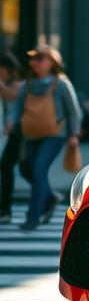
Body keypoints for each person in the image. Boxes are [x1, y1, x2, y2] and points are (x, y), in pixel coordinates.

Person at [7, 45, 81, 231]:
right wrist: (11, 120)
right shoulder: (28, 84)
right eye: (33, 59)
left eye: (40, 59)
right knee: (27, 170)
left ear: (52, 62)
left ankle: (33, 218)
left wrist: (74, 134)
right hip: (31, 134)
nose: (35, 62)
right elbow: (17, 107)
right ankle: (50, 198)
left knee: (39, 170)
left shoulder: (61, 83)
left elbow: (73, 111)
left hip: (54, 135)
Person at [0, 51, 24, 224]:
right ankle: (48, 198)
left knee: (7, 167)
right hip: (10, 134)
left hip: (19, 134)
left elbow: (10, 95)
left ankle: (6, 210)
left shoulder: (17, 84)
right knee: (22, 169)